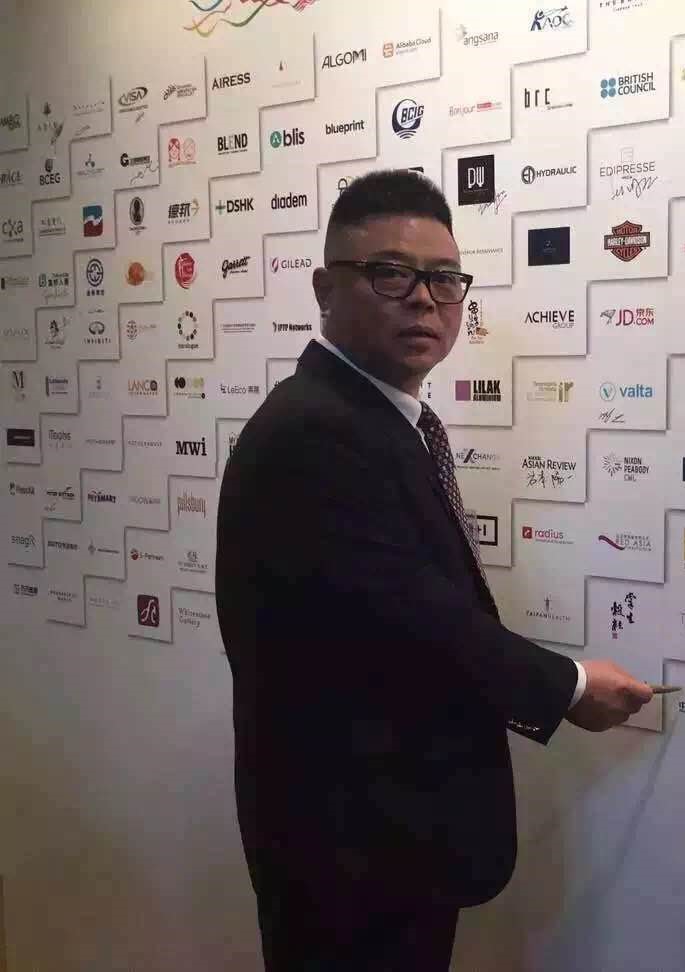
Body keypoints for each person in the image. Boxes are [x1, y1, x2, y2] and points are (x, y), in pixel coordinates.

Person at [215, 169, 655, 971]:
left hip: (386, 838)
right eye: (390, 273)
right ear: (325, 289)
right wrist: (570, 687)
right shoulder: (314, 433)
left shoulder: (374, 422)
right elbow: (420, 624)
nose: (424, 300)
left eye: (445, 278)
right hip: (350, 851)